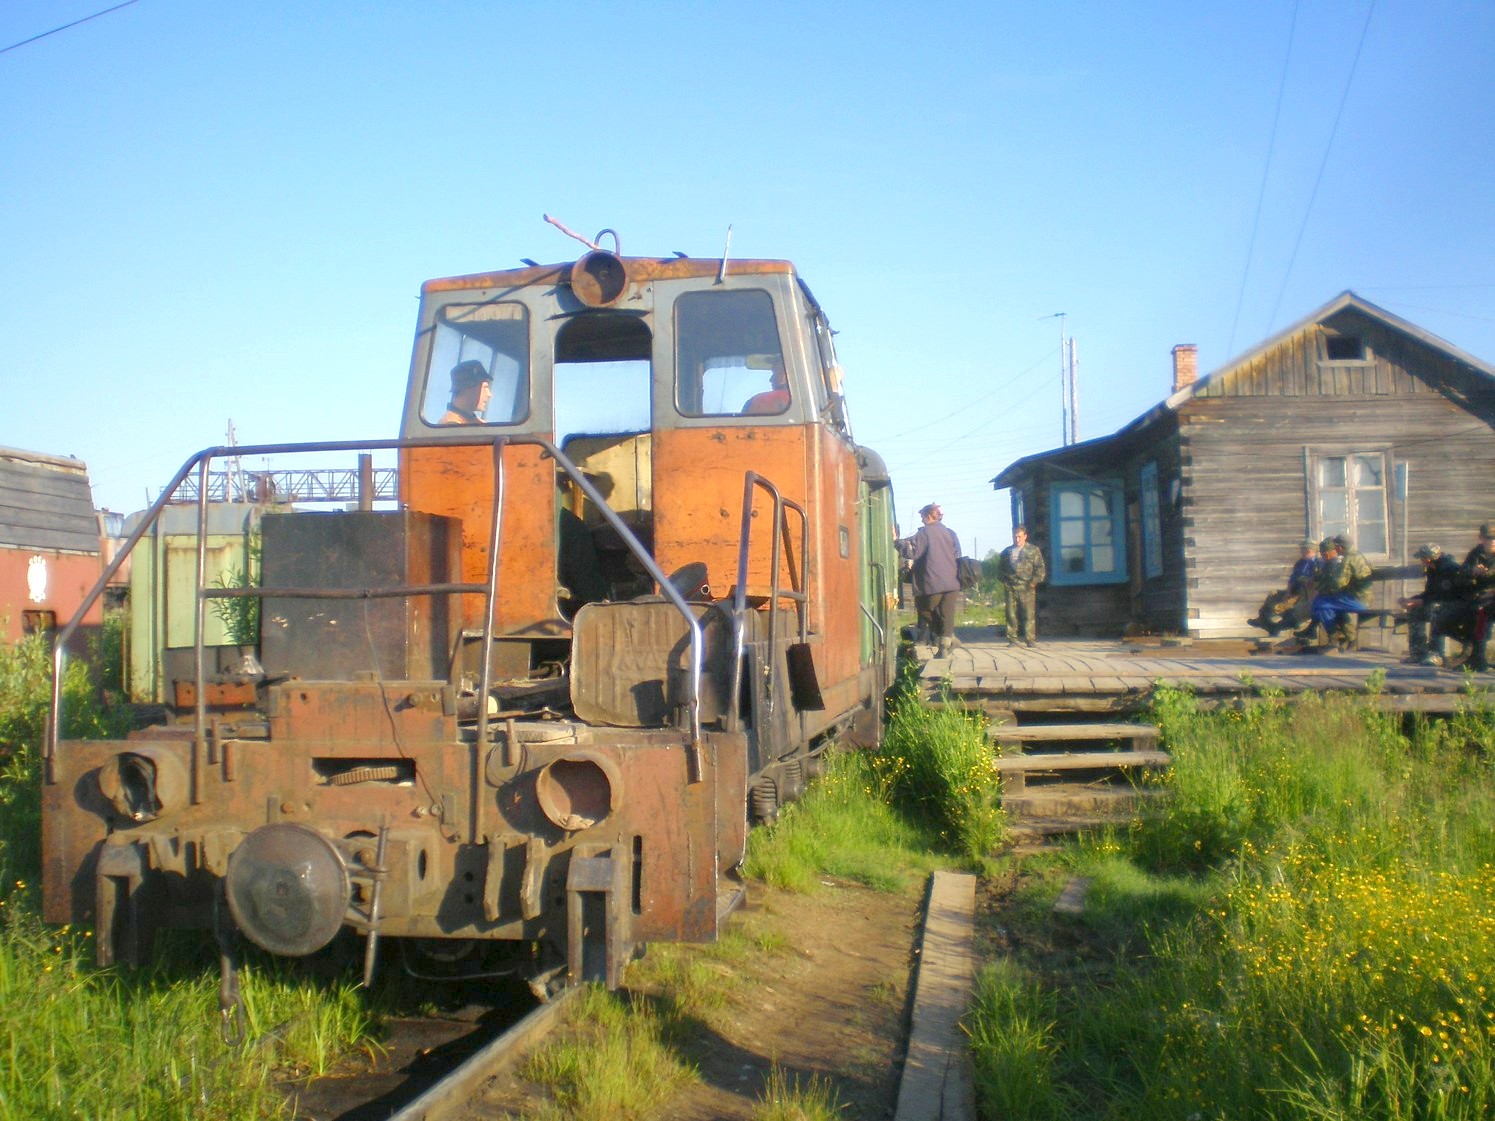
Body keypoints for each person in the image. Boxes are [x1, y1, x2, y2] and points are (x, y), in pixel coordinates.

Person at [896, 502, 962, 657]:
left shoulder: (925, 533)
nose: (921, 520)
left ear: (928, 516)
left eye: (922, 516)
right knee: (947, 615)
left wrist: (897, 541)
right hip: (952, 582)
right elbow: (957, 553)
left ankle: (948, 642)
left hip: (933, 583)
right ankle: (945, 647)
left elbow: (912, 552)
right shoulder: (950, 533)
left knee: (925, 610)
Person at [1426, 524, 1495, 669]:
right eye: (1489, 537)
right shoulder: (1475, 554)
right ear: (1481, 538)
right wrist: (1473, 571)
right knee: (1441, 614)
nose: (1493, 540)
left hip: (1488, 600)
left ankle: (1478, 659)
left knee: (1481, 613)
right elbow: (1461, 575)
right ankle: (1440, 654)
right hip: (1475, 598)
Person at [1307, 535, 1373, 652]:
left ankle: (1334, 638)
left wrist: (1325, 589)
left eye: (1336, 547)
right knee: (1326, 606)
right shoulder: (1357, 555)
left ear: (1340, 547)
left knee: (1320, 602)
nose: (1335, 549)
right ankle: (1347, 638)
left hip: (1357, 600)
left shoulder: (1348, 559)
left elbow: (1339, 582)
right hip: (1361, 597)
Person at [1400, 544, 1461, 662]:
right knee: (1416, 611)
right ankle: (1418, 653)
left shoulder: (1448, 569)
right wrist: (1411, 600)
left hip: (1457, 605)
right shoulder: (1432, 569)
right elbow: (1430, 593)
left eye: (1422, 558)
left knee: (1435, 608)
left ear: (1429, 558)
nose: (1421, 561)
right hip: (1441, 602)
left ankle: (1436, 654)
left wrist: (1421, 601)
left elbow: (1445, 595)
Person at [1249, 539, 1322, 636]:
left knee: (1281, 608)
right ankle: (1263, 621)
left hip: (1305, 594)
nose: (1300, 551)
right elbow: (1292, 579)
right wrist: (1288, 592)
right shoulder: (1300, 563)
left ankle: (1278, 627)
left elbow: (1317, 583)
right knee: (1273, 596)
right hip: (1294, 591)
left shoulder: (1318, 563)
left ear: (1308, 550)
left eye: (1302, 549)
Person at [996, 524, 1046, 647]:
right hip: (1011, 587)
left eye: (1019, 537)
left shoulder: (1033, 550)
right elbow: (1000, 570)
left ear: (1025, 536)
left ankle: (1030, 639)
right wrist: (1005, 581)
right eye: (1015, 537)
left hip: (1027, 586)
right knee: (1010, 614)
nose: (1017, 539)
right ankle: (1012, 639)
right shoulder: (1006, 552)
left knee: (1028, 614)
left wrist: (1034, 582)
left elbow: (1040, 568)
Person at [440, 359, 492, 425]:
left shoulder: (475, 423)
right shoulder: (451, 425)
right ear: (468, 388)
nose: (489, 394)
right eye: (485, 387)